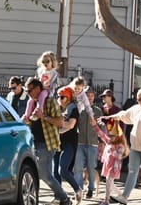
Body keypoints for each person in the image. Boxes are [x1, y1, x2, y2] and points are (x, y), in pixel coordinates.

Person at [24, 77, 72, 205]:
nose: (28, 93)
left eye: (30, 90)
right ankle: (62, 198)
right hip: (34, 142)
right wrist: (26, 120)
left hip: (47, 143)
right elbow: (30, 122)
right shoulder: (31, 103)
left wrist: (44, 116)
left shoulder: (50, 102)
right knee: (44, 174)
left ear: (38, 89)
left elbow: (60, 122)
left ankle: (64, 197)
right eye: (27, 91)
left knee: (43, 174)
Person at [53, 85, 83, 203]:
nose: (60, 99)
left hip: (69, 142)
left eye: (63, 97)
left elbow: (70, 125)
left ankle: (77, 189)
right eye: (58, 97)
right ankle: (58, 197)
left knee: (63, 171)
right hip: (57, 142)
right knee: (55, 172)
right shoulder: (57, 109)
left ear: (69, 97)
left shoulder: (73, 109)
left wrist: (57, 128)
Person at [73, 86, 103, 199]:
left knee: (91, 168)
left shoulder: (98, 111)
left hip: (93, 144)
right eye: (87, 96)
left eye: (91, 96)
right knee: (78, 168)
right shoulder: (80, 110)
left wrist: (102, 142)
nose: (90, 98)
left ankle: (91, 189)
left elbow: (102, 127)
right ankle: (78, 190)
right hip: (80, 143)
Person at [95, 116, 129, 205]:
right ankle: (122, 195)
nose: (111, 137)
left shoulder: (120, 146)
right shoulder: (109, 141)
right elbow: (101, 134)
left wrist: (113, 150)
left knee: (108, 183)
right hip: (107, 165)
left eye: (113, 136)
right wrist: (95, 126)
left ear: (118, 137)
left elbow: (119, 156)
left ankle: (106, 200)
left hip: (114, 167)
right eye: (110, 135)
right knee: (111, 184)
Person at [23, 51, 61, 121]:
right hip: (39, 88)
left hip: (48, 90)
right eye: (43, 62)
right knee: (30, 101)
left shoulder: (54, 73)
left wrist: (49, 87)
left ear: (52, 62)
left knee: (43, 94)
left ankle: (39, 109)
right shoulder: (40, 71)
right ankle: (26, 116)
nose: (45, 64)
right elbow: (36, 81)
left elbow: (55, 84)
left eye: (47, 61)